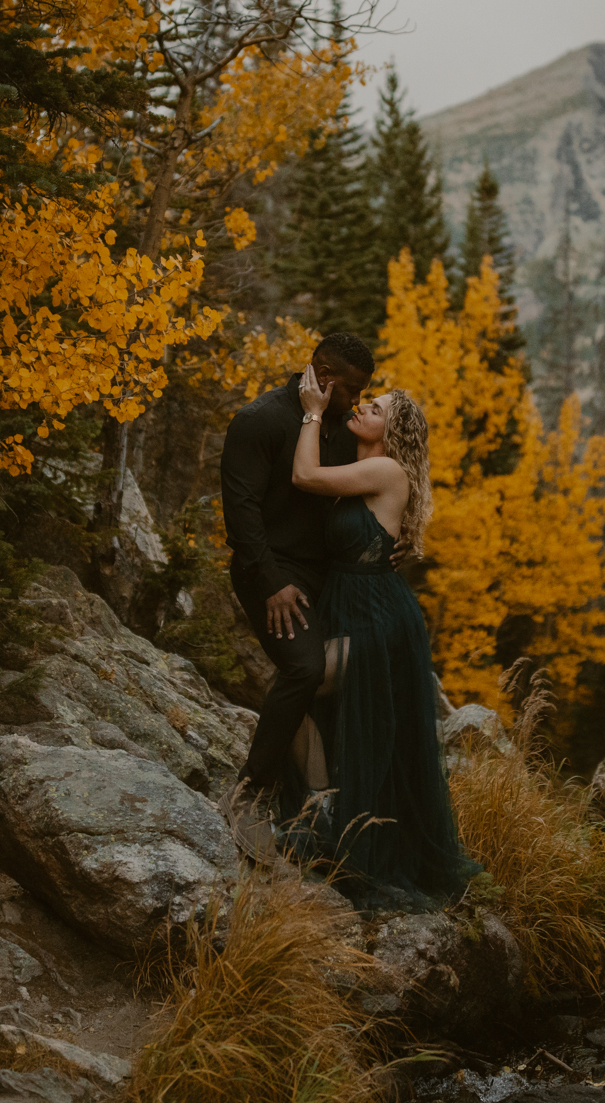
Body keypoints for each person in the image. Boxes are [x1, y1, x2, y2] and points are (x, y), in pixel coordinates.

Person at [280, 365, 481, 909]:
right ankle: (326, 806)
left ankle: (327, 813)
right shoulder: (364, 466)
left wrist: (313, 411)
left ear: (392, 432)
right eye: (367, 403)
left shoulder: (387, 469)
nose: (364, 408)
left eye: (377, 408)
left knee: (299, 685)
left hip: (377, 619)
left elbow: (304, 477)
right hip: (353, 606)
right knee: (306, 694)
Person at [217, 333, 376, 856]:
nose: (357, 399)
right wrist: (271, 585)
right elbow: (240, 516)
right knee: (305, 668)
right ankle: (250, 791)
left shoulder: (344, 428)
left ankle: (314, 795)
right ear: (324, 377)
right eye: (352, 388)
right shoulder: (259, 420)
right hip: (271, 572)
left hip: (329, 575)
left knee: (354, 668)